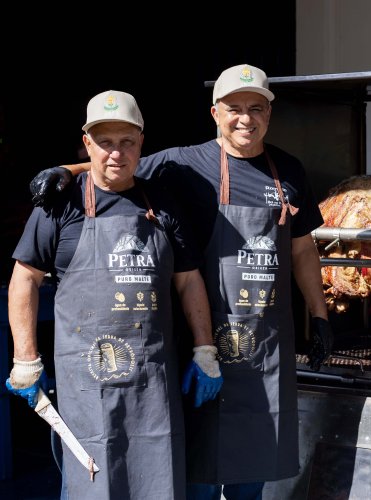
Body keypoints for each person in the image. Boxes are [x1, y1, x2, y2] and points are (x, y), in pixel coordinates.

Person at [30, 65, 334, 499]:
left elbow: (302, 249)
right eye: (234, 108)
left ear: (269, 113)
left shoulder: (288, 171)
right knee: (198, 473)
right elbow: (118, 162)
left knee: (254, 467)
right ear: (215, 113)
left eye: (256, 108)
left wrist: (320, 316)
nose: (245, 118)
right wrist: (65, 170)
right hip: (199, 345)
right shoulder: (182, 163)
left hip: (263, 346)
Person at [5, 90, 223, 499]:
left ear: (141, 142)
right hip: (86, 382)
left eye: (127, 142)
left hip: (152, 381)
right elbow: (25, 278)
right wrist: (25, 359)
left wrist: (205, 350)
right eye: (105, 142)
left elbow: (189, 279)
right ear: (87, 144)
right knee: (92, 482)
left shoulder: (162, 201)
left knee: (158, 480)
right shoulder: (60, 205)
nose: (116, 153)